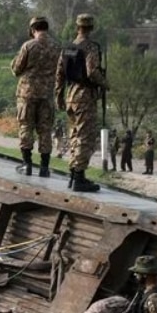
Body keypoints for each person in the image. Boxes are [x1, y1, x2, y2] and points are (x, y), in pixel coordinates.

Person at [56, 13, 105, 193]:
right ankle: (79, 176)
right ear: (91, 28)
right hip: (85, 95)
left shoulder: (68, 47)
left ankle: (73, 173)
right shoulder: (91, 47)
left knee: (74, 134)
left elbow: (59, 74)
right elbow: (92, 72)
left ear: (77, 27)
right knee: (86, 136)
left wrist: (59, 97)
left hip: (71, 94)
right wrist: (105, 84)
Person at [11, 16, 60, 177]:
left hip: (27, 94)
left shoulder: (28, 46)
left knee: (26, 127)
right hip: (47, 94)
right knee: (45, 130)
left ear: (33, 30)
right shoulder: (56, 47)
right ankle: (44, 168)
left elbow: (17, 70)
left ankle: (27, 164)